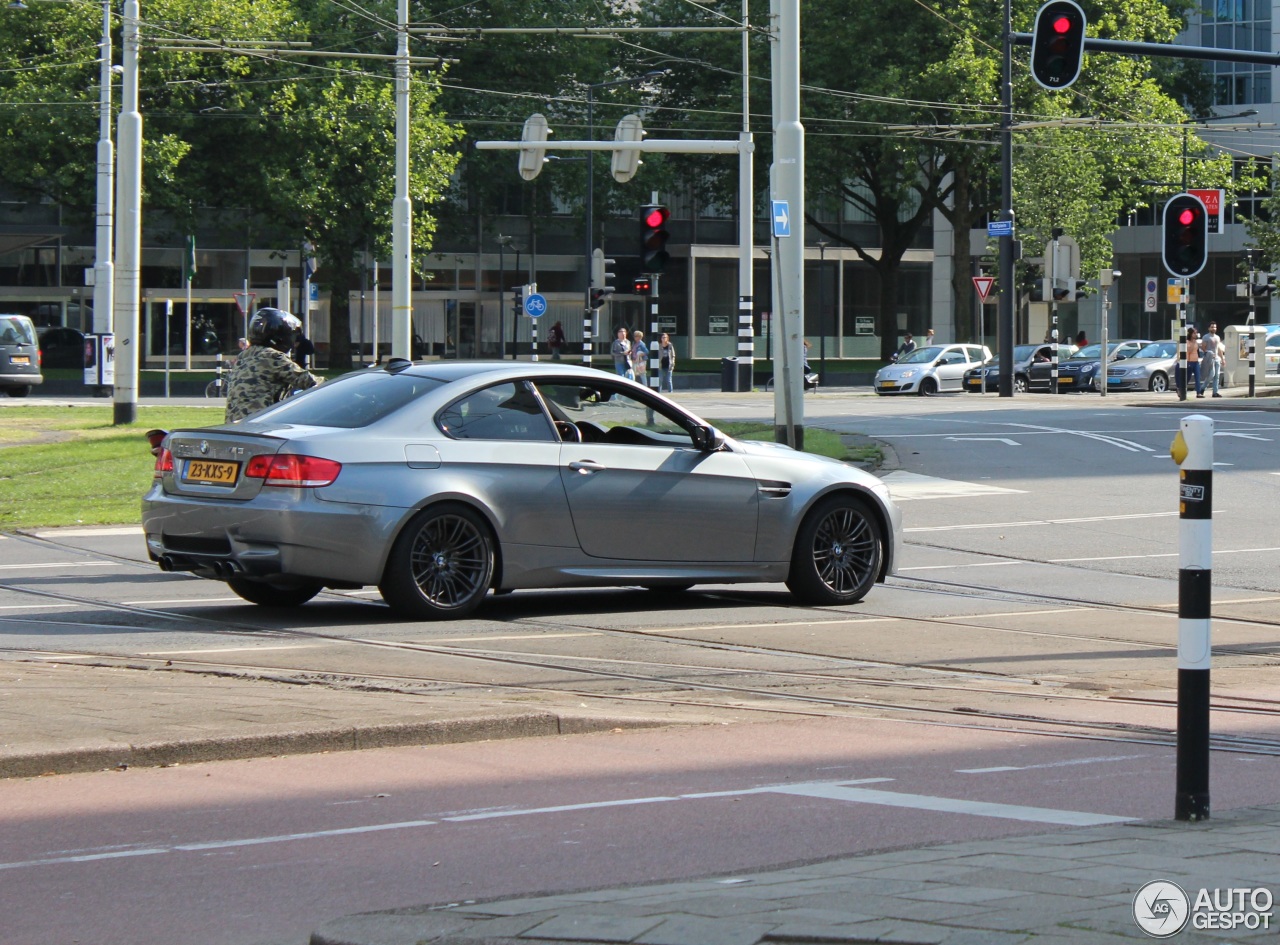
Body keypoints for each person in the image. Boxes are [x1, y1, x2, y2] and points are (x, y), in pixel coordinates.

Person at [225, 308, 322, 423]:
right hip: (260, 428)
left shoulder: (243, 357)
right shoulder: (273, 357)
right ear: (281, 336)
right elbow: (311, 382)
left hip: (234, 426)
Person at [1201, 322, 1224, 397]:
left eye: (1215, 327)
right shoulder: (1206, 337)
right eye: (1212, 327)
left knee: (1217, 375)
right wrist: (1208, 353)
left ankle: (1215, 392)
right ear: (1209, 328)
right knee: (1211, 374)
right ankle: (1202, 388)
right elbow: (1203, 347)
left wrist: (1222, 359)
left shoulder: (1217, 337)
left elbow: (1219, 348)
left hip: (1217, 358)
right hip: (1210, 358)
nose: (1214, 328)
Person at [1186, 326, 1202, 397]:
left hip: (1196, 362)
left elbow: (1197, 350)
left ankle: (1198, 392)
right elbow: (1189, 350)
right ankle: (1181, 388)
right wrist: (1193, 342)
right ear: (1191, 334)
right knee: (1187, 377)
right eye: (1194, 333)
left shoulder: (1196, 342)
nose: (1196, 334)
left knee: (1198, 377)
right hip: (1190, 361)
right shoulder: (1188, 342)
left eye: (1196, 333)